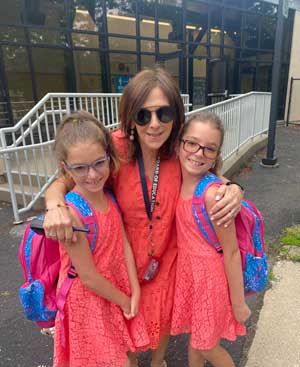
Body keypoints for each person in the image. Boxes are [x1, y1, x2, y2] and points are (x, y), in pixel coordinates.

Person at [43, 67, 244, 367]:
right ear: (130, 116)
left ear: (175, 116)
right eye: (143, 114)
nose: (153, 124)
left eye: (163, 114)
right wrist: (54, 203)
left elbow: (209, 172)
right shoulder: (114, 148)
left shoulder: (180, 148)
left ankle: (159, 361)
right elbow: (68, 178)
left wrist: (234, 187)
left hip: (168, 257)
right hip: (124, 261)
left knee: (161, 316)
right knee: (128, 322)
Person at [51, 111, 149, 367]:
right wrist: (125, 300)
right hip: (90, 301)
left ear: (109, 157)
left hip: (117, 289)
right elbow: (89, 277)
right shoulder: (72, 212)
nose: (92, 175)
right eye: (80, 168)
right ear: (65, 168)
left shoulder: (108, 194)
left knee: (129, 353)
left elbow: (123, 242)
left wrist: (135, 288)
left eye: (98, 163)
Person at [171, 111, 251, 367]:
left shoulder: (212, 195)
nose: (198, 153)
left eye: (209, 149)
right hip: (191, 277)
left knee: (207, 346)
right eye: (192, 143)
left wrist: (238, 304)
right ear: (179, 144)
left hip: (209, 281)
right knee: (197, 338)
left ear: (217, 155)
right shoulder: (179, 176)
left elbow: (231, 252)